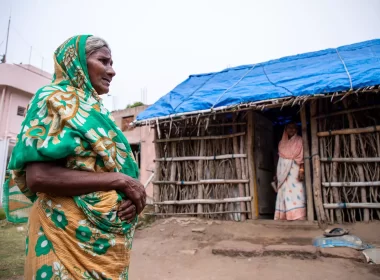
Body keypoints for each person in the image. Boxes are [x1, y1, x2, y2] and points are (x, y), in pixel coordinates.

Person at [4, 35, 146, 280]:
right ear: (78, 62)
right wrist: (119, 181)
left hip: (103, 243)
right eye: (104, 61)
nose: (112, 71)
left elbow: (104, 168)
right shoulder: (52, 99)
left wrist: (128, 202)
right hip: (62, 233)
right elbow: (38, 177)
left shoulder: (96, 110)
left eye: (112, 63)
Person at [273, 121, 306, 220]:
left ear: (297, 129)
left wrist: (301, 170)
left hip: (294, 171)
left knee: (297, 192)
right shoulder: (281, 143)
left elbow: (302, 157)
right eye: (289, 127)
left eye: (294, 127)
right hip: (282, 172)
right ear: (285, 129)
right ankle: (284, 216)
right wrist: (276, 174)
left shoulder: (300, 141)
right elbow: (279, 160)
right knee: (283, 193)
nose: (292, 129)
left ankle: (298, 216)